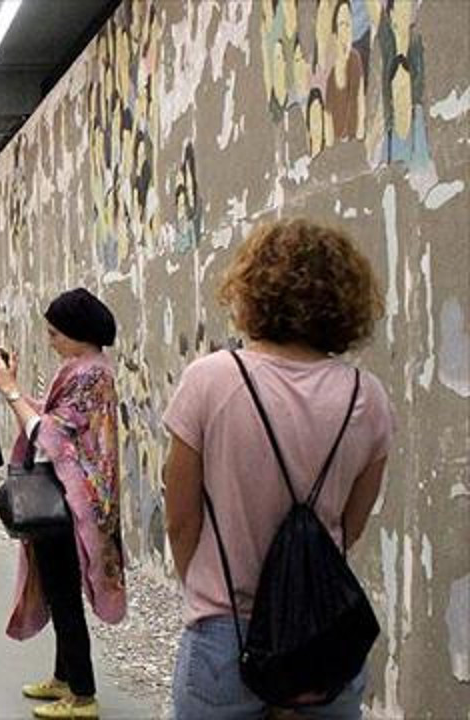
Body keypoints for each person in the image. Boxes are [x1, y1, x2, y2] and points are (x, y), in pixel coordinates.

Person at [163, 219, 392, 719]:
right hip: (323, 636)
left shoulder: (210, 380)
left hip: (226, 629)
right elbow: (350, 525)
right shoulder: (367, 396)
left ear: (251, 290)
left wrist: (204, 591)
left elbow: (180, 519)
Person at [0, 287, 126, 720]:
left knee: (64, 594)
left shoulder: (89, 374)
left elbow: (50, 435)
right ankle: (64, 677)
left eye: (54, 333)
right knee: (56, 586)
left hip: (71, 501)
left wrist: (12, 393)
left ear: (76, 332)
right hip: (64, 495)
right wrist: (13, 388)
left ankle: (83, 695)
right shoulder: (83, 369)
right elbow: (52, 421)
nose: (50, 341)